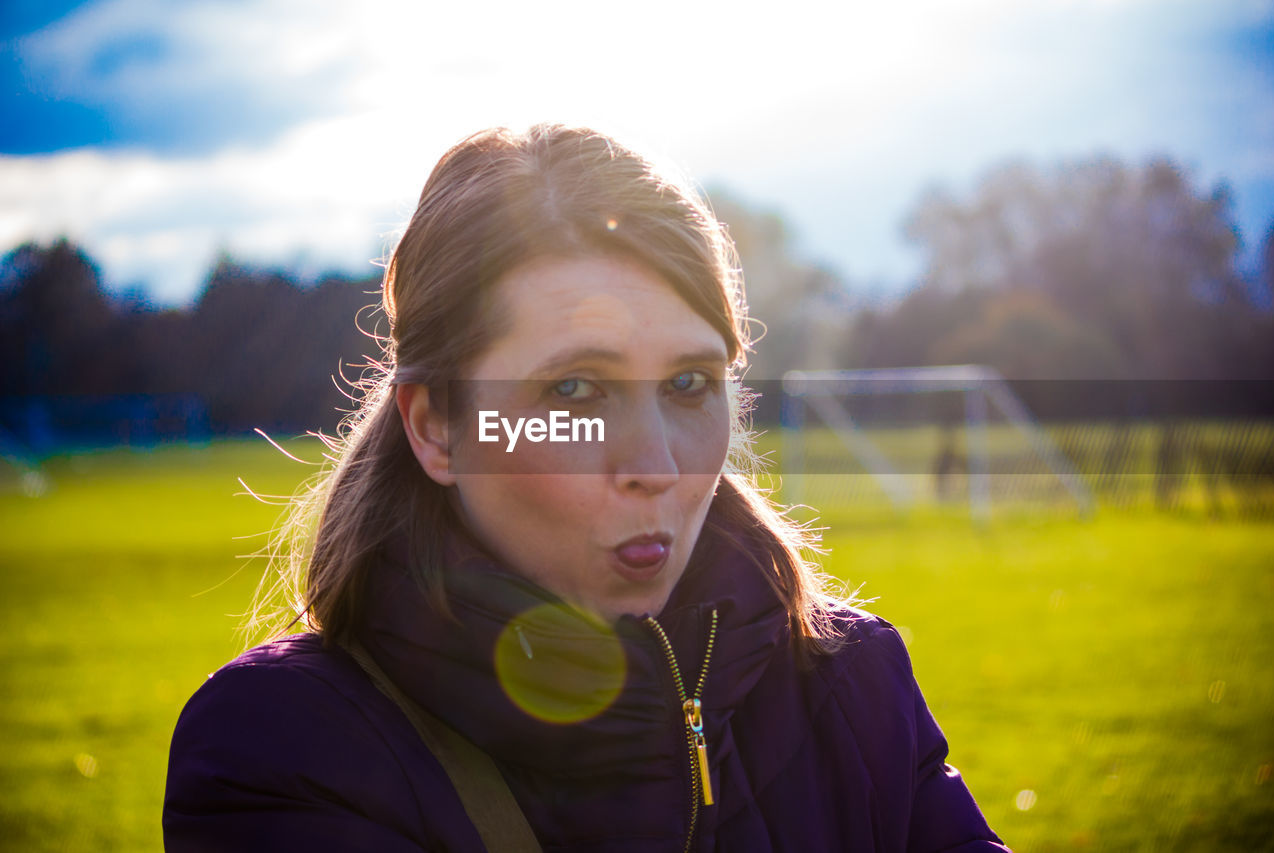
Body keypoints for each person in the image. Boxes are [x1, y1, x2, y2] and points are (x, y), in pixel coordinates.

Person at [163, 124, 1009, 852]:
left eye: (688, 384)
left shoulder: (852, 684)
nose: (658, 461)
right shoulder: (285, 747)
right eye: (573, 390)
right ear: (436, 426)